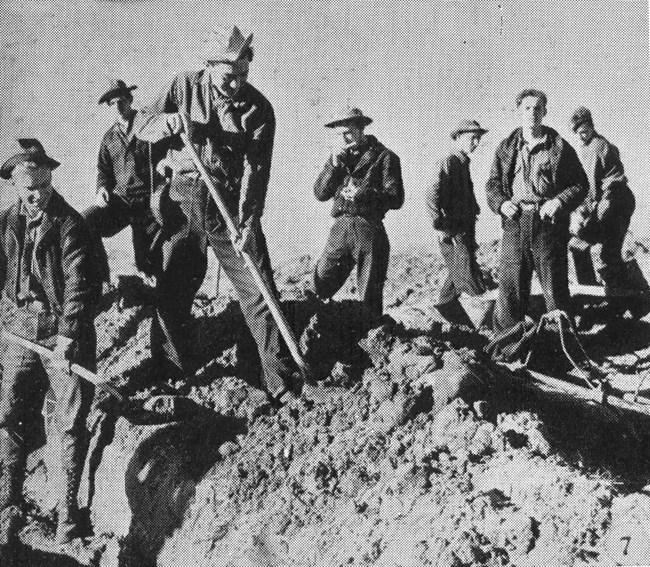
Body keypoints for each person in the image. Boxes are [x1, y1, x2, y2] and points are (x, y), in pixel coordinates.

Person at [134, 26, 297, 400]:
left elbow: (258, 170)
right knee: (174, 287)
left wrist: (249, 219)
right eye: (228, 76)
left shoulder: (259, 109)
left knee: (257, 289)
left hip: (228, 204)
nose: (236, 84)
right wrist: (164, 124)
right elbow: (141, 124)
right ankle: (172, 377)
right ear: (208, 66)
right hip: (184, 198)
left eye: (243, 75)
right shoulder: (182, 85)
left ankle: (282, 381)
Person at [0, 140, 99, 551]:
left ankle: (68, 515)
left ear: (49, 178)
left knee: (71, 422)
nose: (35, 195)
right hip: (22, 330)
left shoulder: (70, 224)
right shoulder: (6, 222)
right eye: (27, 189)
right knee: (10, 414)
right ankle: (9, 503)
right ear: (16, 187)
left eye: (40, 186)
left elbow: (79, 284)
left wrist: (69, 335)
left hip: (63, 332)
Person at [486, 90, 588, 332]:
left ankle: (562, 349)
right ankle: (508, 348)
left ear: (545, 112)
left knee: (555, 289)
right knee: (510, 288)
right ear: (519, 112)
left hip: (548, 224)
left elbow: (580, 184)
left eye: (537, 108)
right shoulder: (506, 147)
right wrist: (501, 203)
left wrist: (559, 201)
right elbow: (492, 184)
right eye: (527, 108)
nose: (532, 113)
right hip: (516, 222)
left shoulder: (560, 148)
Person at [313, 107, 404, 323]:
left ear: (361, 129)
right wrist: (333, 165)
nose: (343, 138)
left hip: (369, 229)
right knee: (319, 284)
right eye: (338, 134)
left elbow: (396, 197)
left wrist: (363, 195)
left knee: (369, 296)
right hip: (340, 228)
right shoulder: (338, 158)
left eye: (348, 132)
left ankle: (372, 341)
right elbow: (320, 193)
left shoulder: (385, 157)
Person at [82, 79, 164, 284]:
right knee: (86, 222)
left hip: (150, 203)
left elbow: (167, 155)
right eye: (112, 104)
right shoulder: (108, 138)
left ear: (130, 99)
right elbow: (104, 170)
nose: (117, 106)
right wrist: (101, 188)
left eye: (121, 101)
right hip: (122, 202)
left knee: (147, 264)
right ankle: (102, 281)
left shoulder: (149, 126)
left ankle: (156, 292)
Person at [426, 119, 489, 327]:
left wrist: (473, 208)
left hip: (463, 228)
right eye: (472, 138)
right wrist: (439, 224)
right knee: (466, 273)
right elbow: (432, 192)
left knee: (456, 272)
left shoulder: (462, 161)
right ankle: (479, 322)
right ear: (459, 138)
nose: (476, 142)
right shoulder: (449, 160)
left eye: (478, 138)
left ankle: (444, 312)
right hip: (452, 230)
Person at [568, 107, 636, 293]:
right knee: (578, 246)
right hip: (608, 203)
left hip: (616, 203)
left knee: (608, 253)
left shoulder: (598, 146)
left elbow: (597, 187)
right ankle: (592, 292)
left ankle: (633, 296)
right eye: (578, 133)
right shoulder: (586, 148)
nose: (581, 136)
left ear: (591, 126)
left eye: (584, 131)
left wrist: (586, 216)